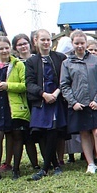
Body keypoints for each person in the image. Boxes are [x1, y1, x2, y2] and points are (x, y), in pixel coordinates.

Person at [60, 30, 97, 175]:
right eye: (76, 43)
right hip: (78, 105)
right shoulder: (67, 63)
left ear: (86, 43)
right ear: (72, 44)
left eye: (82, 43)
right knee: (84, 133)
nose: (80, 46)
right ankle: (90, 164)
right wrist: (73, 102)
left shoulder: (96, 60)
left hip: (95, 103)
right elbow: (64, 85)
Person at [25, 29, 68, 180]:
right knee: (42, 132)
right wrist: (43, 95)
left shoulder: (60, 58)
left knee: (53, 132)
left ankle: (45, 169)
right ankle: (54, 165)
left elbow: (65, 79)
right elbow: (29, 83)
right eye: (42, 39)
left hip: (56, 99)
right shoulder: (31, 61)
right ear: (36, 41)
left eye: (48, 39)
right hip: (41, 101)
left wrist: (55, 94)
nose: (46, 42)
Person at [0, 36, 29, 181]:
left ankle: (16, 169)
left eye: (6, 48)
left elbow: (25, 85)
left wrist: (8, 86)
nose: (4, 51)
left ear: (10, 48)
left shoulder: (18, 65)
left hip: (14, 106)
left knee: (16, 136)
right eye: (1, 48)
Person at [7, 34, 40, 172]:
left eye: (25, 43)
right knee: (21, 135)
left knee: (36, 133)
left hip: (36, 99)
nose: (23, 46)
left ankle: (40, 162)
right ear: (15, 48)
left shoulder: (36, 59)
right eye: (20, 44)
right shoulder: (14, 64)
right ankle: (16, 165)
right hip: (20, 102)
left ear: (30, 44)